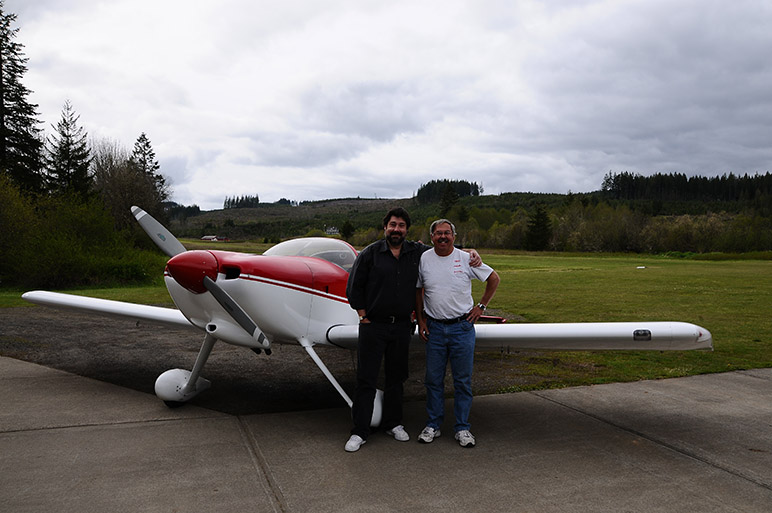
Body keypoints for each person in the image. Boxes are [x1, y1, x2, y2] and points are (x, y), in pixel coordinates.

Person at [344, 207, 481, 452]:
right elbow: (354, 287)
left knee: (396, 378)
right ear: (385, 227)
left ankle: (394, 423)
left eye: (401, 226)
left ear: (406, 230)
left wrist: (469, 253)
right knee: (366, 379)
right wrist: (363, 316)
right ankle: (360, 431)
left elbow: (445, 250)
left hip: (401, 327)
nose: (397, 229)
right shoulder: (370, 253)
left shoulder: (416, 252)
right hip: (373, 325)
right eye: (393, 225)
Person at [415, 218, 500, 448]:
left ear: (454, 236)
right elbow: (419, 290)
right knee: (433, 380)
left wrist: (481, 307)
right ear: (431, 237)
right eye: (438, 233)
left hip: (461, 328)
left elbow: (493, 278)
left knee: (462, 381)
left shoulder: (466, 258)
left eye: (447, 233)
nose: (442, 237)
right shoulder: (424, 258)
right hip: (434, 329)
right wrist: (421, 320)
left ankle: (462, 428)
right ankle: (433, 424)